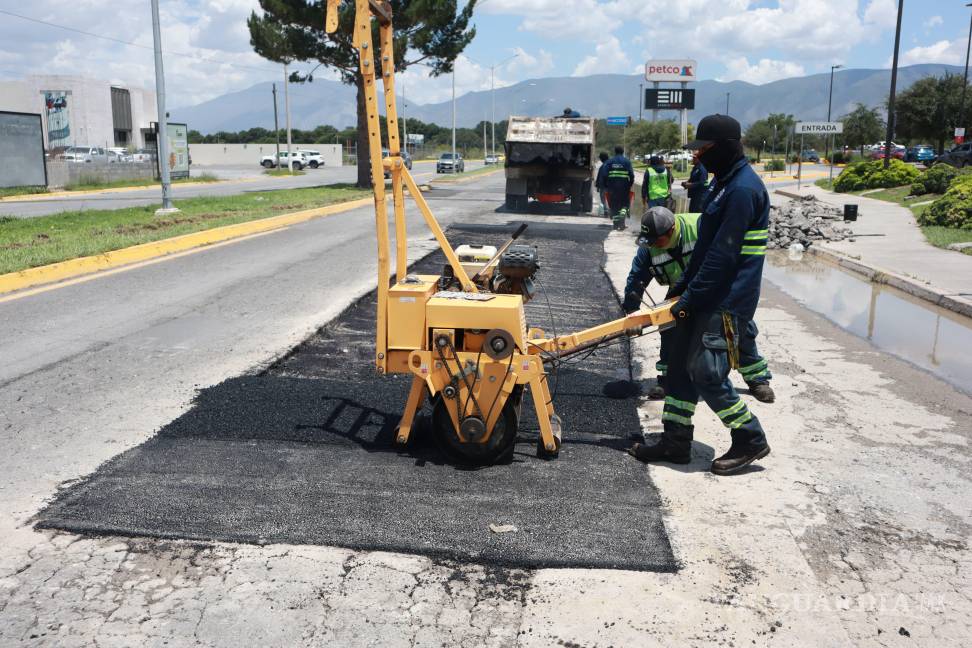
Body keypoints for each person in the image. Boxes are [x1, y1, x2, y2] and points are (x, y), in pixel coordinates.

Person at [628, 114, 771, 476]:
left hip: (726, 299)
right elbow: (705, 250)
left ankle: (749, 437)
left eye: (702, 150)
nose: (696, 157)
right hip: (705, 293)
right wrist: (680, 290)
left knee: (706, 371)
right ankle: (675, 442)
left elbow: (723, 257)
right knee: (677, 367)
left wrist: (691, 298)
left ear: (723, 147)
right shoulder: (723, 184)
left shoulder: (741, 190)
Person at [622, 206, 775, 403]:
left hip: (715, 286)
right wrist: (632, 312)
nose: (653, 246)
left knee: (736, 328)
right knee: (669, 327)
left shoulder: (702, 226)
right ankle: (668, 379)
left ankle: (757, 379)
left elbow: (728, 254)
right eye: (649, 242)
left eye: (657, 241)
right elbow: (636, 279)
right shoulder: (649, 247)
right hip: (681, 291)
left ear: (671, 230)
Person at [603, 145, 635, 230]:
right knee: (624, 204)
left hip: (612, 187)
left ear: (615, 152)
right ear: (622, 152)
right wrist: (630, 184)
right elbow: (631, 175)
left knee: (614, 205)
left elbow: (605, 174)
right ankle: (622, 222)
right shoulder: (627, 161)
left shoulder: (610, 161)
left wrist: (606, 185)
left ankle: (616, 224)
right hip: (624, 187)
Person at [595, 151, 610, 216]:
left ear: (602, 158)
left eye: (600, 158)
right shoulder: (611, 164)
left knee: (603, 199)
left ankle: (606, 211)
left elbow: (601, 176)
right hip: (612, 185)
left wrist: (598, 186)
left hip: (604, 186)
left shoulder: (604, 166)